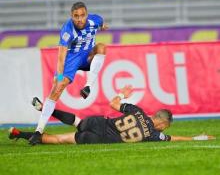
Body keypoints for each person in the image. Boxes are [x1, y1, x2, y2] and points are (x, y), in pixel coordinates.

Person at [9, 86, 215, 145]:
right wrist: (198, 138)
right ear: (161, 122)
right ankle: (20, 133)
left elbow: (113, 103)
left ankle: (47, 110)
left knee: (77, 121)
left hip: (98, 122)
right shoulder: (153, 134)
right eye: (165, 126)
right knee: (58, 139)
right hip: (100, 138)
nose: (164, 129)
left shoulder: (138, 110)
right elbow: (175, 139)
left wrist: (122, 94)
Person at [29, 1, 108, 145]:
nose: (79, 19)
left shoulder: (95, 20)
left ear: (87, 14)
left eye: (82, 15)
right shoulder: (67, 30)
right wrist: (59, 77)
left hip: (88, 56)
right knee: (57, 89)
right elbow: (61, 57)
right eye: (76, 16)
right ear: (71, 16)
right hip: (72, 59)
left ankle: (88, 86)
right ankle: (38, 131)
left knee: (102, 47)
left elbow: (101, 23)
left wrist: (103, 27)